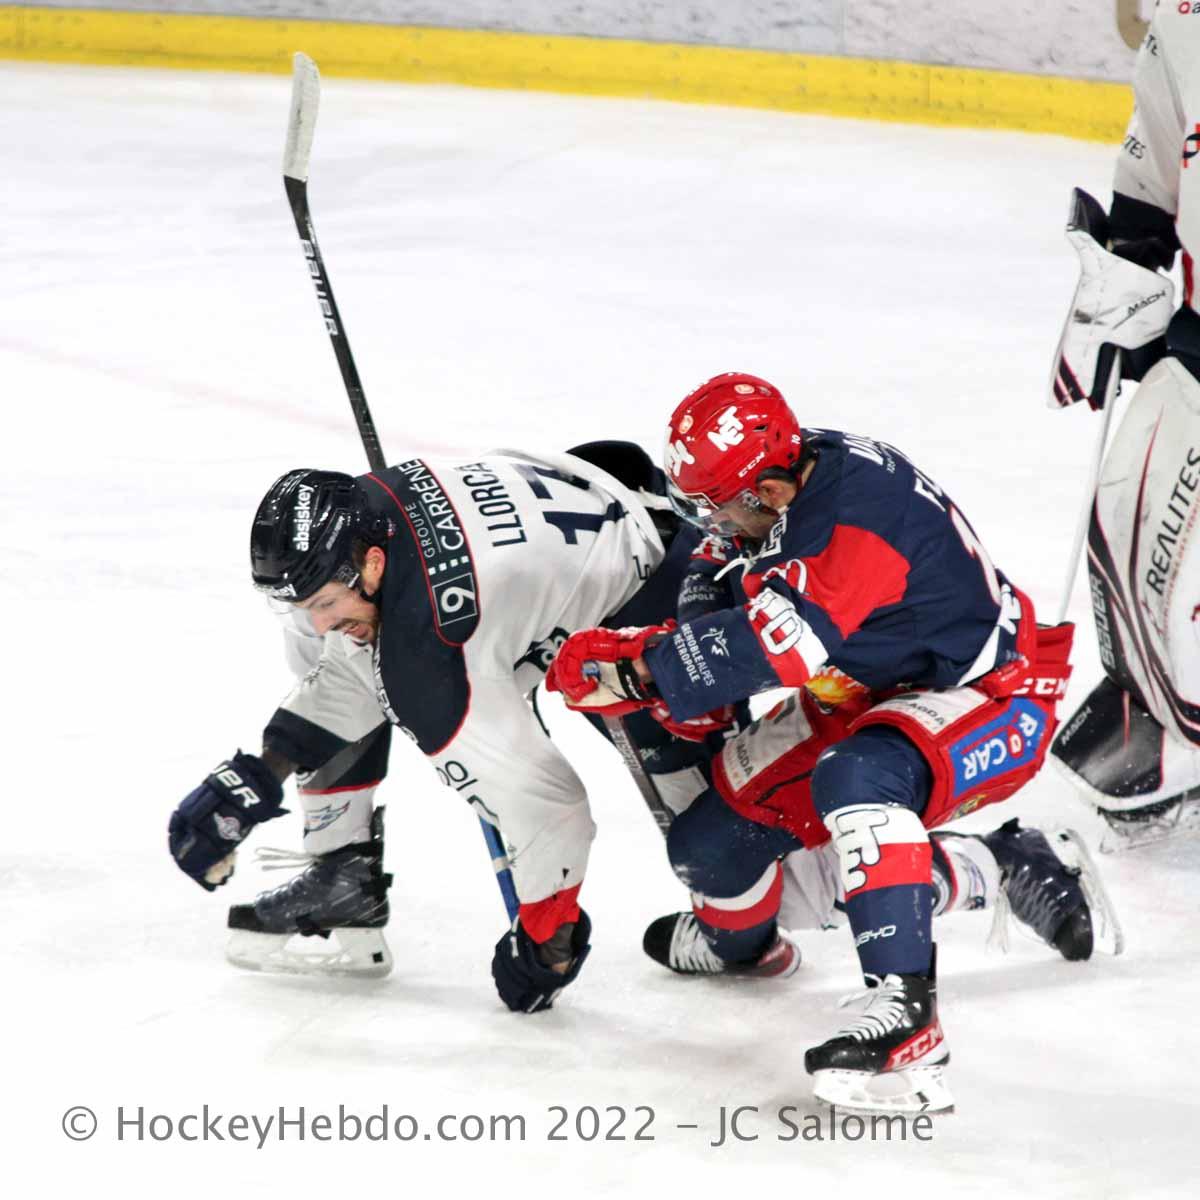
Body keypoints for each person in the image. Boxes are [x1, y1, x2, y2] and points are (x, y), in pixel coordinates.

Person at [548, 372, 1080, 1113]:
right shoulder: (789, 475)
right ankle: (746, 945)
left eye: (714, 506)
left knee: (857, 779)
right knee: (711, 851)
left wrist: (640, 668)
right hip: (867, 686)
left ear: (767, 490)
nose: (708, 524)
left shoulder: (853, 523)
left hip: (991, 693)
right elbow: (720, 569)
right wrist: (688, 637)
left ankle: (916, 997)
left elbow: (779, 649)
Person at [167, 441, 732, 1011]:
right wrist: (257, 775)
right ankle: (341, 864)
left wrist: (546, 944)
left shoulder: (425, 659)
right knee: (331, 638)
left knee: (723, 864)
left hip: (661, 610)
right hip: (615, 504)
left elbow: (552, 810)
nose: (320, 623)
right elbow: (349, 675)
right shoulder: (370, 504)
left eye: (326, 602)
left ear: (373, 564)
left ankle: (743, 935)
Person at [1047, 2, 1200, 849]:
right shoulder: (1186, 19)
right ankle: (1160, 713)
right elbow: (1159, 138)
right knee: (1131, 517)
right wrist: (1134, 254)